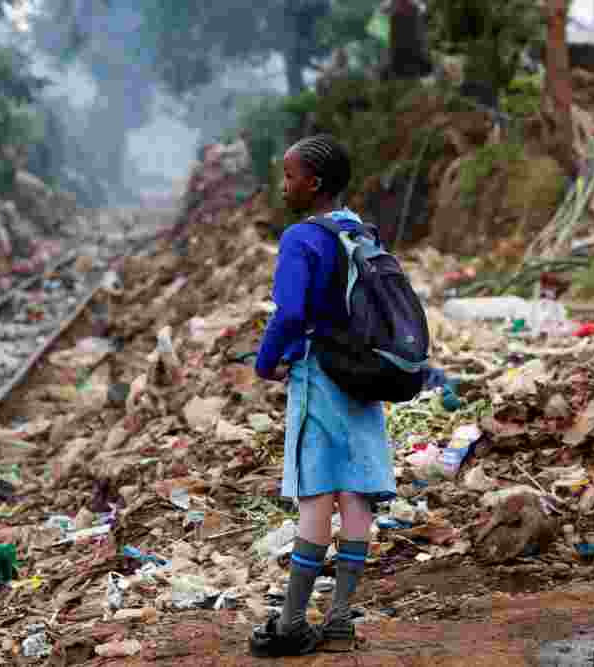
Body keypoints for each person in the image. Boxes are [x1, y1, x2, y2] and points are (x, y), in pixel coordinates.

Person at [248, 134, 396, 657]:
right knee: (357, 495)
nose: (284, 185)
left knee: (316, 494)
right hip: (366, 374)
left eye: (289, 176)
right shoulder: (361, 229)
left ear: (313, 183)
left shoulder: (300, 238)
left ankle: (290, 622)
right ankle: (339, 622)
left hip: (319, 375)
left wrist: (265, 362)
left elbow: (289, 312)